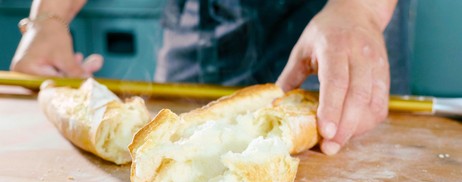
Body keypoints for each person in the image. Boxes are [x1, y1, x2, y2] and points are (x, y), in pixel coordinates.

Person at [10, 0, 399, 156]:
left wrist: (360, 10)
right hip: (197, 19)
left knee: (337, 136)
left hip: (333, 24)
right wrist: (49, 17)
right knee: (160, 141)